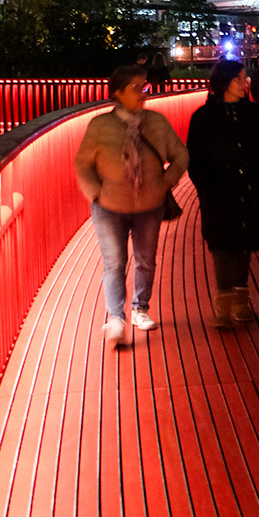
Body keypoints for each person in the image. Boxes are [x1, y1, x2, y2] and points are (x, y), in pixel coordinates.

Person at [74, 64, 189, 348]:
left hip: (150, 204)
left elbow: (181, 155)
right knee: (114, 262)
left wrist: (165, 183)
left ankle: (140, 308)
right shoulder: (100, 126)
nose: (144, 94)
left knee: (146, 260)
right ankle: (116, 317)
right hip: (109, 206)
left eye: (145, 87)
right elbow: (83, 163)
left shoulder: (157, 122)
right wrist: (95, 194)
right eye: (137, 89)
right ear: (118, 93)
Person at [187, 57, 259, 326]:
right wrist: (206, 188)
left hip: (251, 189)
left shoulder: (256, 114)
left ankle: (239, 300)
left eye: (243, 78)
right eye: (238, 78)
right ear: (224, 83)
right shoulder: (203, 118)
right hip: (218, 192)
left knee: (244, 244)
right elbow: (195, 157)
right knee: (221, 245)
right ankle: (226, 302)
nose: (244, 83)